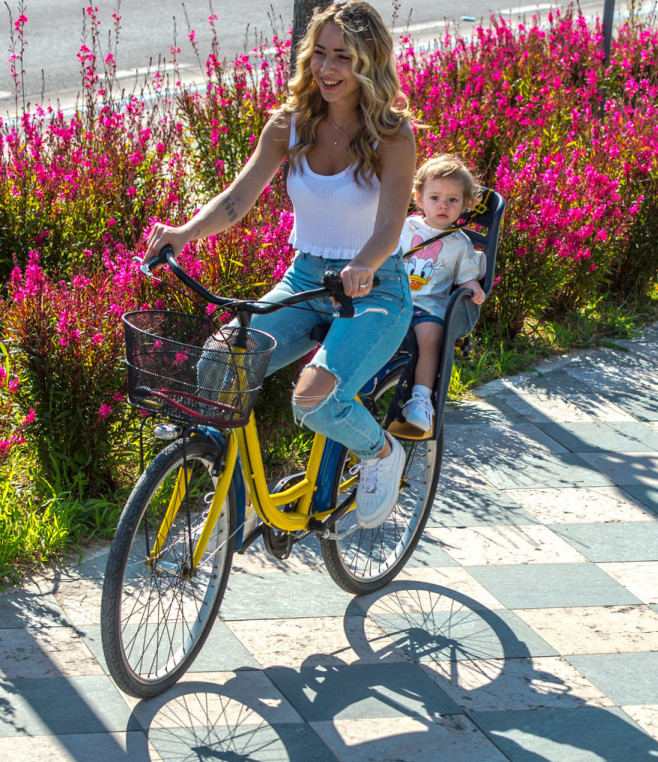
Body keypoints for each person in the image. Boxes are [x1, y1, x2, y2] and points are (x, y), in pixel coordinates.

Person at [144, 1, 415, 529]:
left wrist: (361, 266)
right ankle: (237, 502)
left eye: (343, 57)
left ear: (368, 62)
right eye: (320, 54)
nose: (328, 69)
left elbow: (389, 227)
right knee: (219, 361)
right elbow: (235, 201)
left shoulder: (392, 134)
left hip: (375, 287)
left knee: (312, 402)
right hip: (306, 278)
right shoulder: (290, 125)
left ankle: (381, 453)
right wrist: (181, 234)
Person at [392, 155, 487, 439]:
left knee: (432, 338)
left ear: (465, 204)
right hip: (392, 298)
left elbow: (466, 275)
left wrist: (473, 286)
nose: (443, 205)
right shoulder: (404, 227)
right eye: (434, 197)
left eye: (453, 200)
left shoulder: (460, 243)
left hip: (427, 309)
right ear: (419, 198)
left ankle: (420, 400)